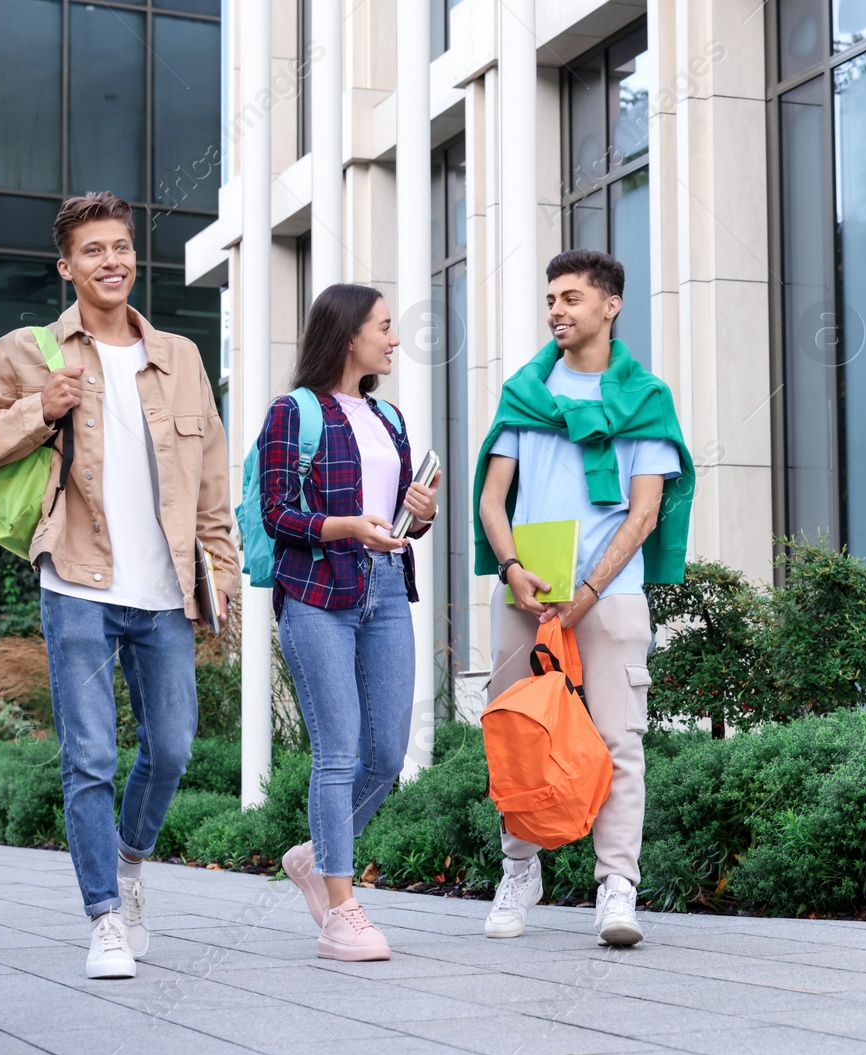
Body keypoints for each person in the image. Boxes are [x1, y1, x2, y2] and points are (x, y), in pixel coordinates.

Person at [0, 192, 236, 980]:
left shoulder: (179, 358)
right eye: (94, 250)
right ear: (66, 266)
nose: (112, 261)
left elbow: (211, 479)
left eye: (121, 247)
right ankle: (104, 915)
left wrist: (224, 580)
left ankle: (130, 863)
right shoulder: (27, 351)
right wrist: (39, 408)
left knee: (171, 746)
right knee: (92, 756)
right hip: (75, 576)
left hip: (166, 585)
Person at [474, 249, 694, 946]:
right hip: (525, 596)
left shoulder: (645, 399)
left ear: (611, 305)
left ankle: (617, 890)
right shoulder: (525, 393)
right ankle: (519, 873)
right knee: (515, 737)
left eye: (570, 298)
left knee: (618, 742)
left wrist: (589, 590)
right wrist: (512, 569)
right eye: (550, 300)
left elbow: (645, 512)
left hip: (613, 596)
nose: (556, 311)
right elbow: (490, 497)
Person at [264, 284, 441, 962]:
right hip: (315, 592)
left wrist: (418, 511)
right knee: (337, 751)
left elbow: (401, 523)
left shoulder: (389, 417)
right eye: (386, 327)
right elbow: (277, 512)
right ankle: (341, 910)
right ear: (347, 335)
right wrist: (343, 527)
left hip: (387, 587)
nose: (395, 339)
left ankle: (315, 856)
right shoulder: (294, 413)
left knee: (386, 755)